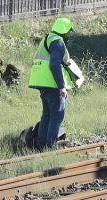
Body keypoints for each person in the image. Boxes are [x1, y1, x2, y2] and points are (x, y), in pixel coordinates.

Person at [28, 17, 75, 151]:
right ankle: (50, 147)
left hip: (42, 83)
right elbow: (54, 65)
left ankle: (40, 146)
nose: (69, 34)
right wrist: (61, 86)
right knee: (56, 115)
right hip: (53, 84)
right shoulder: (57, 43)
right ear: (65, 30)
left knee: (47, 115)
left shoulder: (47, 39)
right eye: (68, 31)